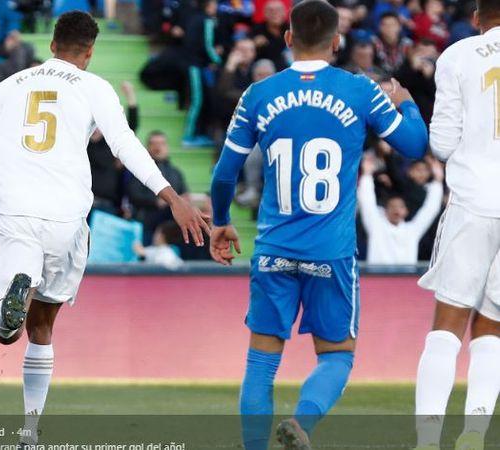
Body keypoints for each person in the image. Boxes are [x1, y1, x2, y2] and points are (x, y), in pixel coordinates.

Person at [0, 11, 208, 446]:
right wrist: (174, 198)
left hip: (18, 215)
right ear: (89, 53)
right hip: (68, 222)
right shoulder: (96, 88)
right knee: (43, 328)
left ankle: (10, 304)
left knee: (6, 331)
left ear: (52, 45)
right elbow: (127, 146)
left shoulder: (7, 87)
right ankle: (30, 432)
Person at [208, 2, 428, 449]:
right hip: (331, 253)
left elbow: (224, 174)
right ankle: (301, 424)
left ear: (288, 39)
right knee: (337, 358)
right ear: (337, 41)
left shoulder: (258, 94)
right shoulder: (360, 90)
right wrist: (407, 106)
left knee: (261, 362)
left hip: (273, 250)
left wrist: (222, 222)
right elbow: (414, 145)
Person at [413, 0, 500, 447]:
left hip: (473, 201)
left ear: (478, 19)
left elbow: (443, 143)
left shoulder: (459, 55)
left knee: (447, 326)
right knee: (493, 329)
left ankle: (428, 439)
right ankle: (474, 433)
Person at [358, 154, 443, 265]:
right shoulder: (376, 226)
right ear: (385, 210)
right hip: (377, 280)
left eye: (400, 207)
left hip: (404, 281)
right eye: (392, 207)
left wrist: (438, 180)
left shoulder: (412, 231)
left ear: (406, 211)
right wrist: (367, 175)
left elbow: (431, 209)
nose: (396, 210)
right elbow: (366, 202)